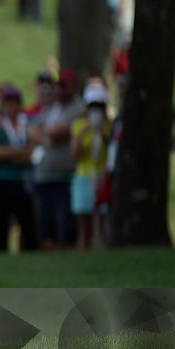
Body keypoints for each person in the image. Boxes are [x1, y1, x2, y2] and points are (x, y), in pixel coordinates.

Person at [29, 68, 82, 249]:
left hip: (64, 177)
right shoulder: (52, 108)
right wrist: (47, 137)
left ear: (73, 87)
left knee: (65, 224)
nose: (60, 90)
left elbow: (58, 132)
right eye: (58, 86)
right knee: (45, 225)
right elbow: (31, 130)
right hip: (43, 176)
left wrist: (44, 136)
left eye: (64, 86)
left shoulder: (77, 108)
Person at [0, 84, 37, 253]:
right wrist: (19, 153)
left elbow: (33, 150)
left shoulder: (26, 125)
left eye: (14, 102)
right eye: (7, 103)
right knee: (2, 227)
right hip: (1, 184)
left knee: (27, 226)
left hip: (22, 183)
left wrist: (7, 154)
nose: (10, 107)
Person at [70, 83, 111, 250]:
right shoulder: (78, 125)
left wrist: (102, 133)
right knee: (84, 227)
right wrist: (85, 131)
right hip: (83, 175)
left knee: (102, 227)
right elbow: (75, 154)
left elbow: (111, 152)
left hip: (103, 176)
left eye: (99, 106)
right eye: (92, 106)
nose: (96, 110)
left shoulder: (109, 126)